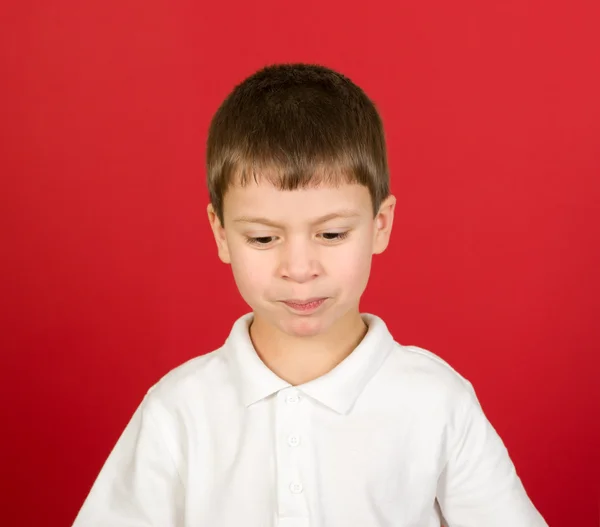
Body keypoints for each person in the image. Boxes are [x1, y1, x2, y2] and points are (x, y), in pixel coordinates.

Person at [72, 64, 548, 527]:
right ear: (220, 234)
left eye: (333, 234)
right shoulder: (178, 410)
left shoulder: (437, 402)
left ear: (380, 225)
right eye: (263, 239)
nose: (299, 269)